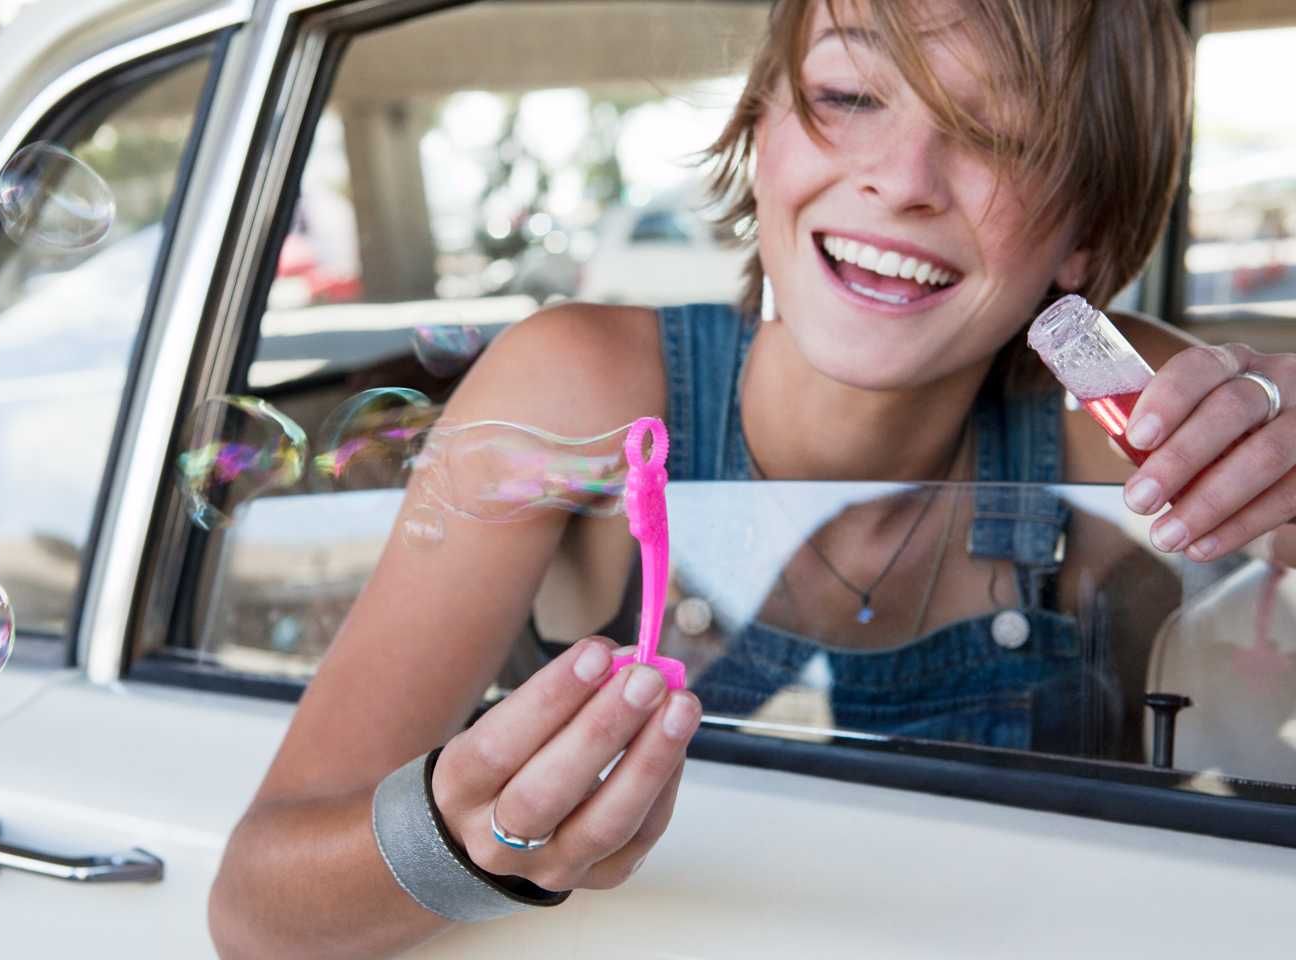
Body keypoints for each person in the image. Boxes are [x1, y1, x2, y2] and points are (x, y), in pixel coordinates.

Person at [209, 1, 1296, 955]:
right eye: (848, 92)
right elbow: (260, 911)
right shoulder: (585, 385)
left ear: (1086, 229)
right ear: (763, 124)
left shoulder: (1122, 414)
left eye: (1000, 135)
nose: (901, 181)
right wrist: (469, 837)